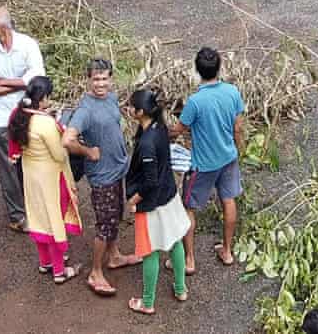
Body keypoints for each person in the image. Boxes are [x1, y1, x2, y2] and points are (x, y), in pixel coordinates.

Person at [64, 57, 138, 296]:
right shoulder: (85, 110)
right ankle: (95, 273)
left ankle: (114, 256)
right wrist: (87, 151)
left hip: (118, 170)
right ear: (88, 80)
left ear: (111, 79)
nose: (100, 84)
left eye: (104, 78)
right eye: (96, 79)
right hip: (102, 177)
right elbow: (67, 139)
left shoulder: (111, 98)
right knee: (104, 226)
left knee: (116, 215)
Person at [7, 75, 84, 282]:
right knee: (53, 218)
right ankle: (59, 271)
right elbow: (59, 155)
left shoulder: (18, 115)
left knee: (38, 216)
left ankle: (45, 262)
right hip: (50, 176)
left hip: (31, 174)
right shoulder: (45, 123)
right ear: (43, 98)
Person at [0, 5, 44, 231]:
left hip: (26, 115)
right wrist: (19, 83)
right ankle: (17, 216)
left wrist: (2, 81)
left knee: (31, 160)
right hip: (2, 119)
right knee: (8, 166)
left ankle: (35, 206)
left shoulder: (27, 45)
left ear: (3, 27)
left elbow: (36, 79)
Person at [176, 45, 246, 268]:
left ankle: (189, 259)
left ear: (197, 71)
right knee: (228, 200)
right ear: (219, 68)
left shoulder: (195, 102)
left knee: (188, 207)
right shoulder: (232, 92)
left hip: (203, 165)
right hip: (228, 158)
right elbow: (238, 126)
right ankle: (227, 251)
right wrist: (239, 149)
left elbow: (179, 129)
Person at [124, 87, 192, 315]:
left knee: (149, 250)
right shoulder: (159, 127)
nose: (128, 108)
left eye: (131, 106)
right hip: (169, 196)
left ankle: (147, 302)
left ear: (140, 112)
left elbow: (150, 181)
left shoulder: (146, 143)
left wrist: (134, 199)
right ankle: (181, 289)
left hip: (151, 203)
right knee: (174, 241)